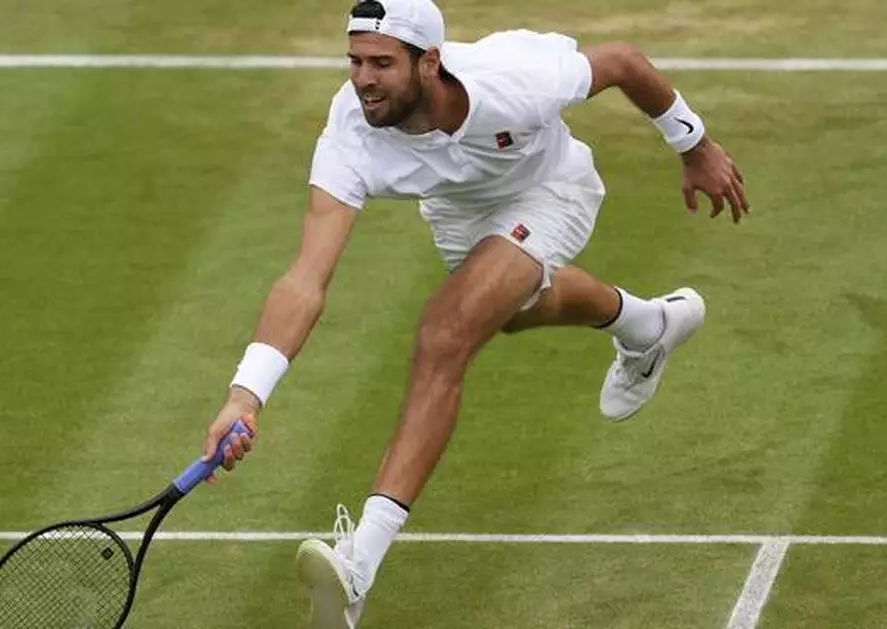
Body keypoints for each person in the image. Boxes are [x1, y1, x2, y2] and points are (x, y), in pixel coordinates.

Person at [200, 0, 748, 626]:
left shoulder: (513, 80)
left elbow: (623, 62)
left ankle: (359, 564)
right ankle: (647, 326)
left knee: (445, 333)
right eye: (354, 61)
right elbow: (306, 278)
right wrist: (246, 395)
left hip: (550, 191)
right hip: (460, 211)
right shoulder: (349, 133)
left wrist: (694, 144)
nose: (363, 80)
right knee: (511, 311)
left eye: (381, 63)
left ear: (429, 63)